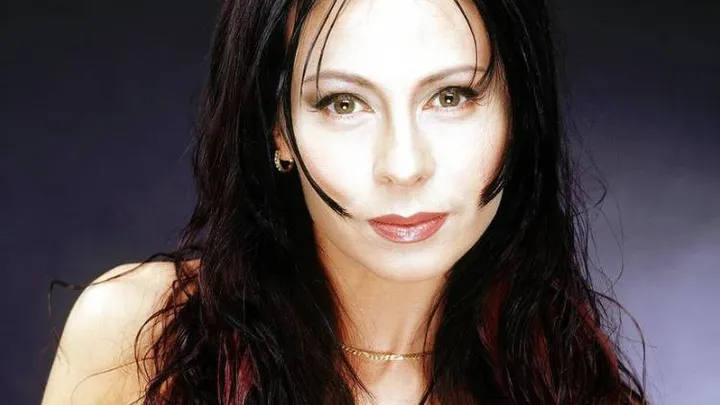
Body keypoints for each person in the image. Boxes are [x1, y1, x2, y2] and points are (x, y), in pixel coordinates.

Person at [42, 0, 649, 404]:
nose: (404, 166)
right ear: (277, 131)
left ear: (519, 114)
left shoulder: (568, 384)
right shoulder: (145, 337)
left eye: (451, 96)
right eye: (342, 103)